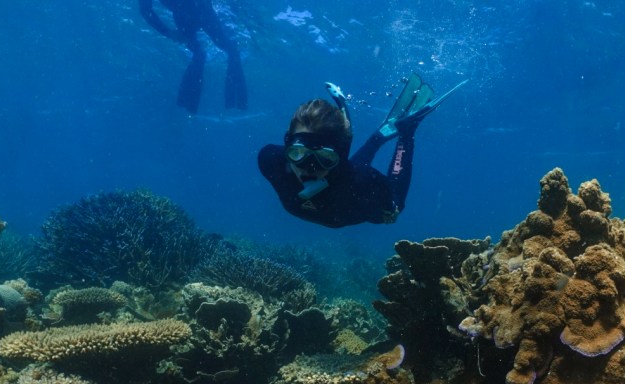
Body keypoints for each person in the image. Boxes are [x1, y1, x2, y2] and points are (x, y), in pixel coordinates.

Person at [258, 74, 466, 228]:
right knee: (349, 173)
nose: (309, 169)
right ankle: (376, 138)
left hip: (357, 192)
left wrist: (389, 207)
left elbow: (387, 209)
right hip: (346, 180)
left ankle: (406, 132)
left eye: (324, 158)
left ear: (339, 154)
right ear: (287, 145)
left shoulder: (366, 183)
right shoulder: (270, 160)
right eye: (298, 153)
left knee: (394, 209)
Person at [139, 0, 247, 114]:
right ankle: (236, 103)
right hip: (200, 10)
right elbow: (145, 10)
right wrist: (167, 32)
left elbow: (145, 10)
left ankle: (187, 105)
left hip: (185, 13)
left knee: (200, 55)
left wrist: (167, 32)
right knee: (230, 51)